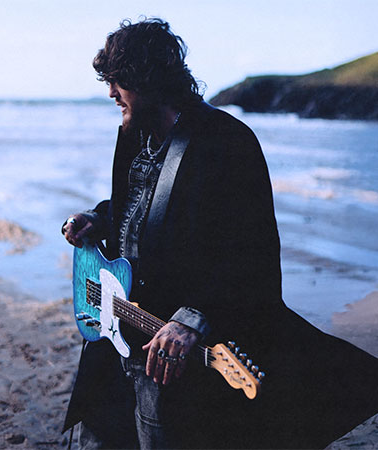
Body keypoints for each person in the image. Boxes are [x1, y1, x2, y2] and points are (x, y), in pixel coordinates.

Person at [61, 18, 377, 449]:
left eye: (119, 82)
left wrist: (191, 320)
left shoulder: (226, 142)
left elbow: (252, 253)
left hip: (174, 352)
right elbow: (142, 209)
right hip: (119, 331)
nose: (111, 94)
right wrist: (98, 218)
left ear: (148, 80)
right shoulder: (136, 135)